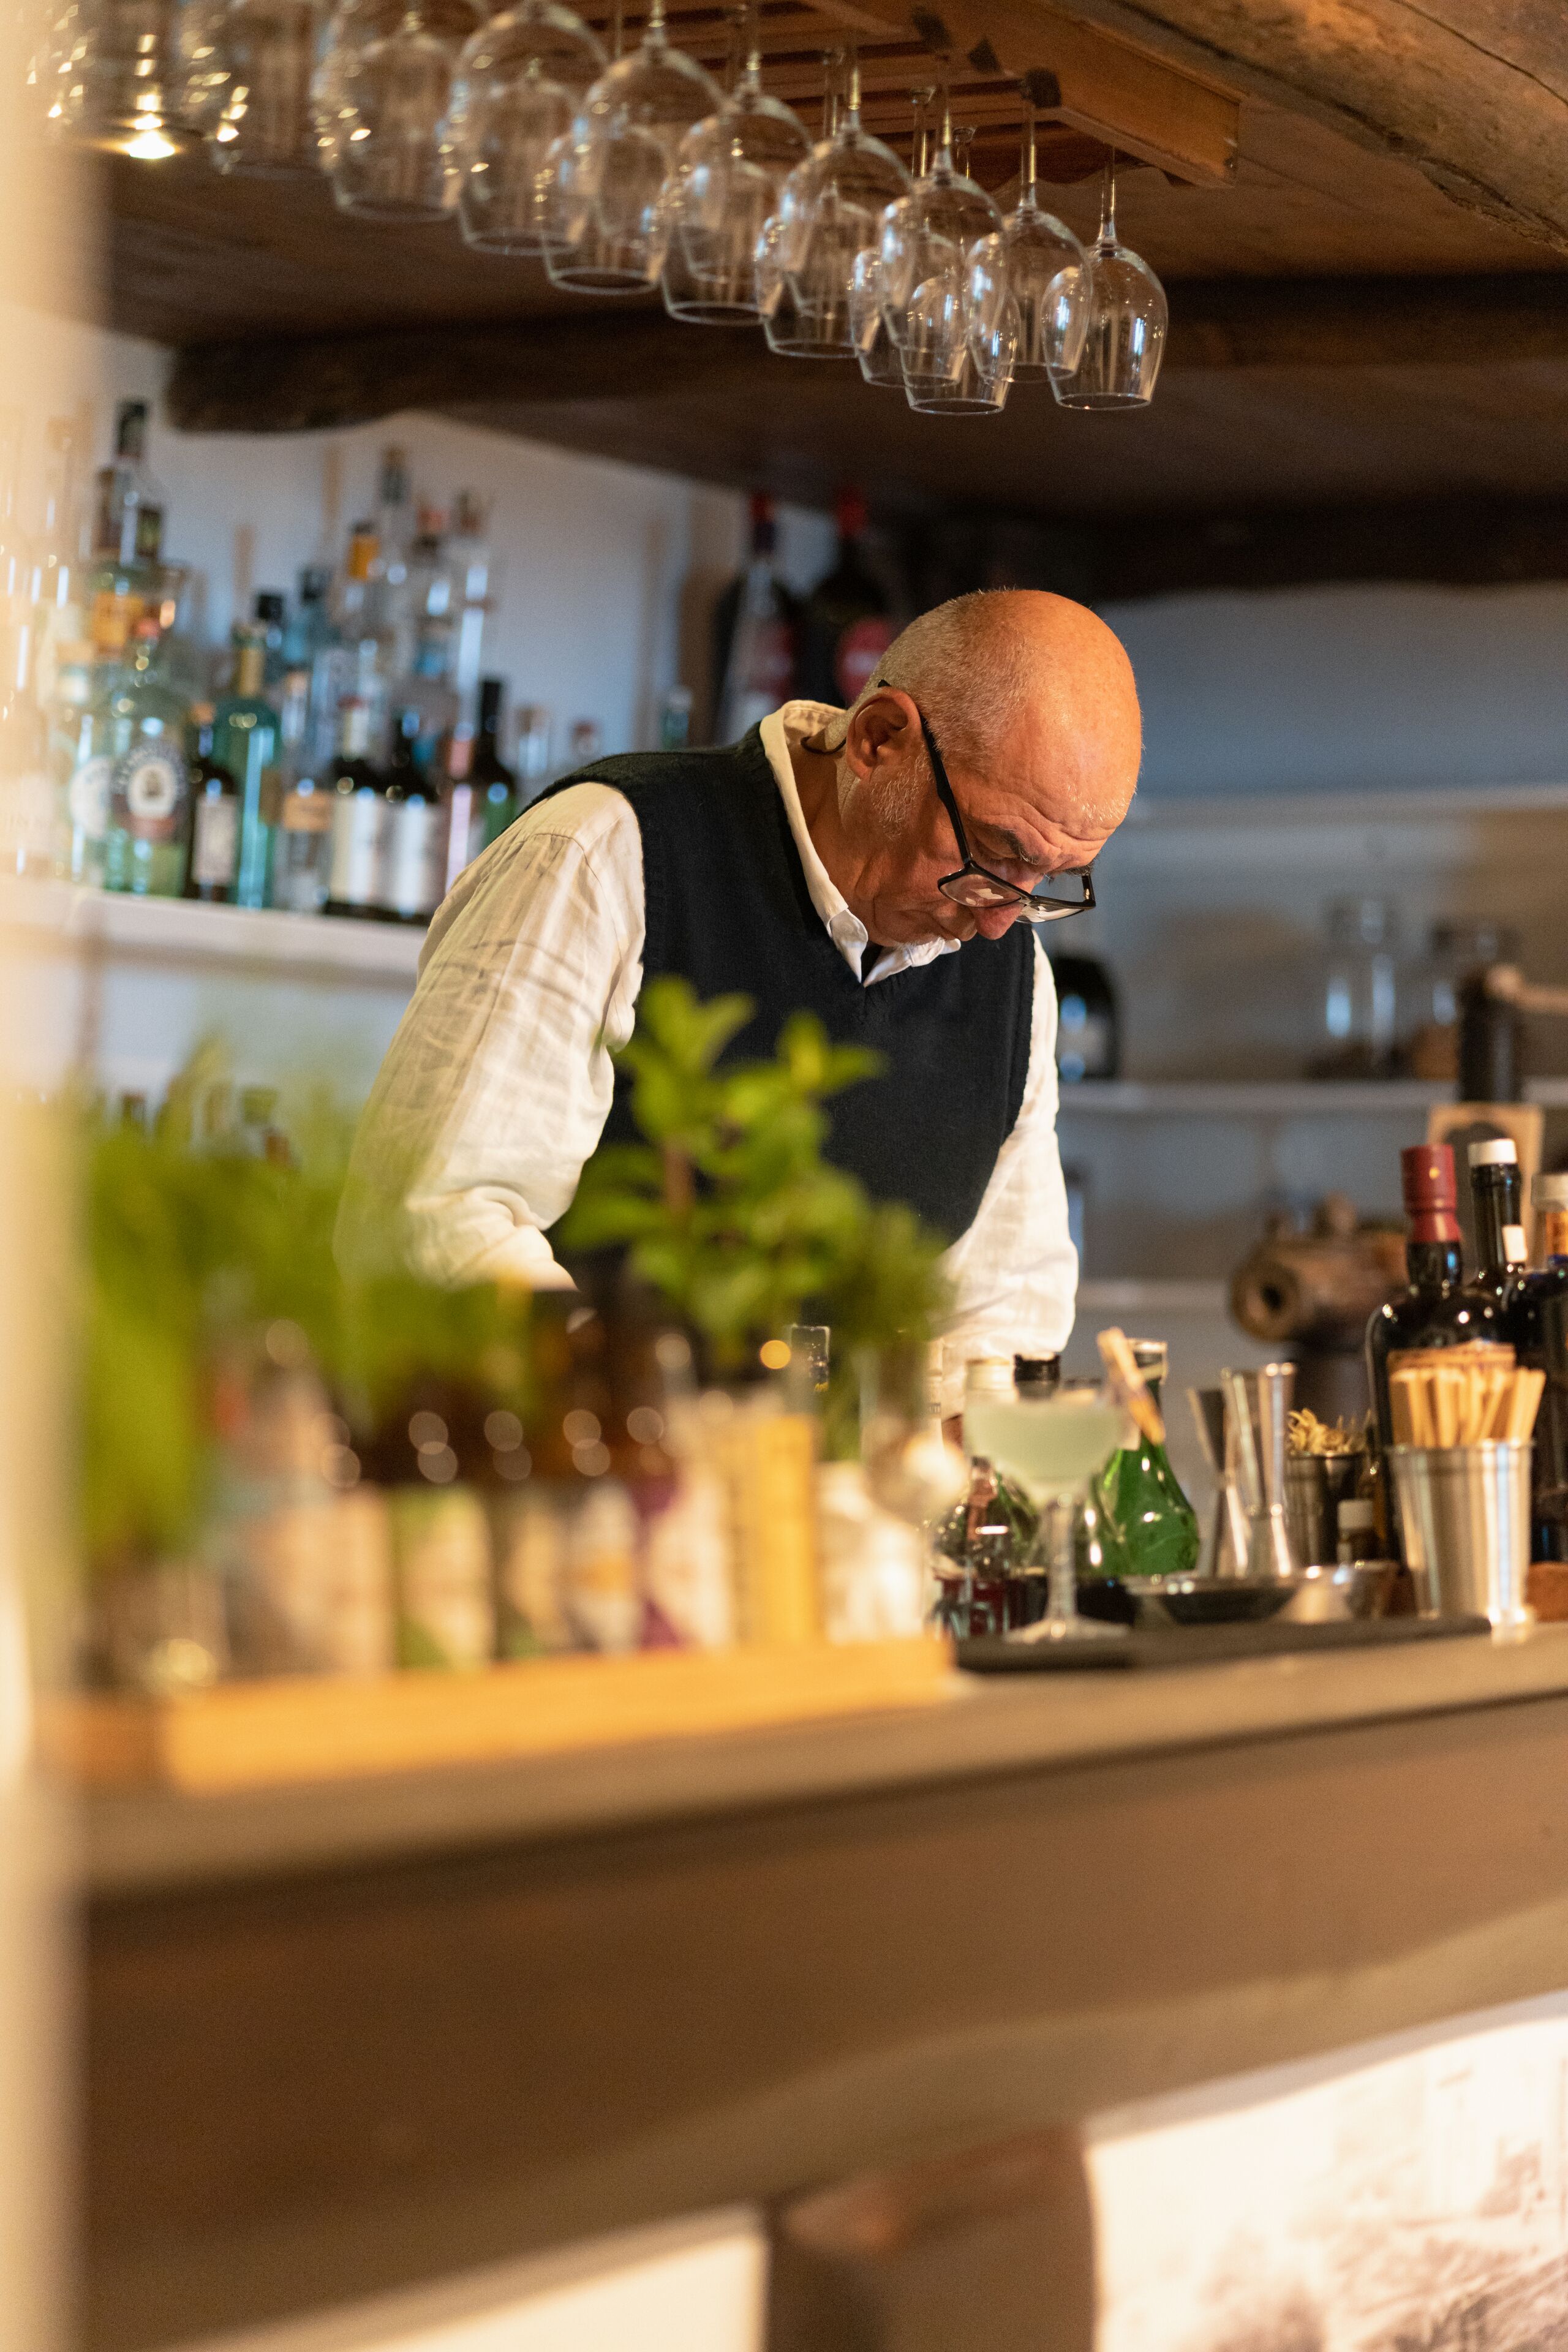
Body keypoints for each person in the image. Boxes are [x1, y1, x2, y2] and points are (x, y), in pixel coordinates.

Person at [336, 588, 1142, 1411]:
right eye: (998, 850)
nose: (1008, 918)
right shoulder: (606, 853)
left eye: (1051, 881)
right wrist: (645, 1427)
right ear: (878, 740)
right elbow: (435, 1217)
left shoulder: (1010, 977)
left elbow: (1000, 1320)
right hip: (559, 1485)